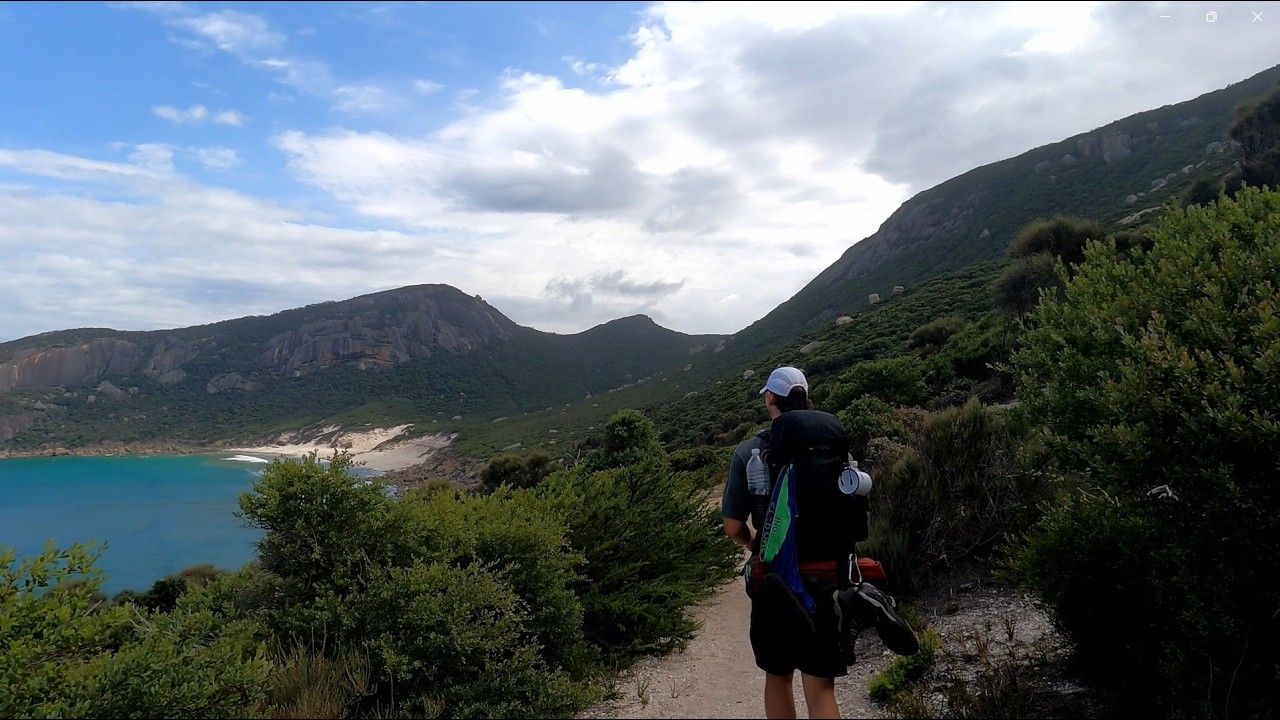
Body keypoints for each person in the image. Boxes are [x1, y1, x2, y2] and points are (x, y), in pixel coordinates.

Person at [721, 365, 845, 719]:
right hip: (827, 572)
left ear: (770, 399)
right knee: (820, 685)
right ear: (805, 398)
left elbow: (733, 526)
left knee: (778, 676)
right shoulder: (831, 441)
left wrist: (754, 544)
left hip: (774, 578)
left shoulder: (750, 451)